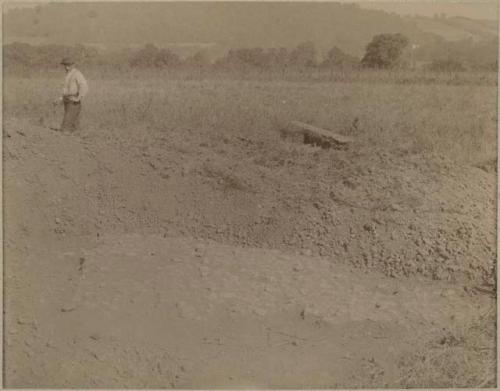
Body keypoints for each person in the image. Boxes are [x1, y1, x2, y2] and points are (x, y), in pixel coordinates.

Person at [53, 58, 89, 132]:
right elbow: (65, 91)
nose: (67, 67)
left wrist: (79, 97)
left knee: (65, 127)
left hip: (74, 102)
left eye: (68, 65)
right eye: (65, 65)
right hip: (67, 101)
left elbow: (84, 86)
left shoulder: (77, 74)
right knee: (74, 126)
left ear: (73, 65)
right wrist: (59, 99)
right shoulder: (67, 75)